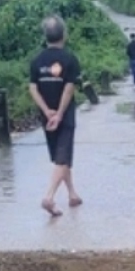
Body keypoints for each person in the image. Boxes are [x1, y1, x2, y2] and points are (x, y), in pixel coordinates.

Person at [28, 15, 83, 217]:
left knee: (61, 157)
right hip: (64, 116)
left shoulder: (36, 60)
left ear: (45, 36)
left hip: (46, 117)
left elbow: (33, 89)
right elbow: (68, 89)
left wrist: (46, 111)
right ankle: (49, 197)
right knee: (62, 158)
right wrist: (59, 114)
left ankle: (72, 194)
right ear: (64, 34)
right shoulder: (70, 59)